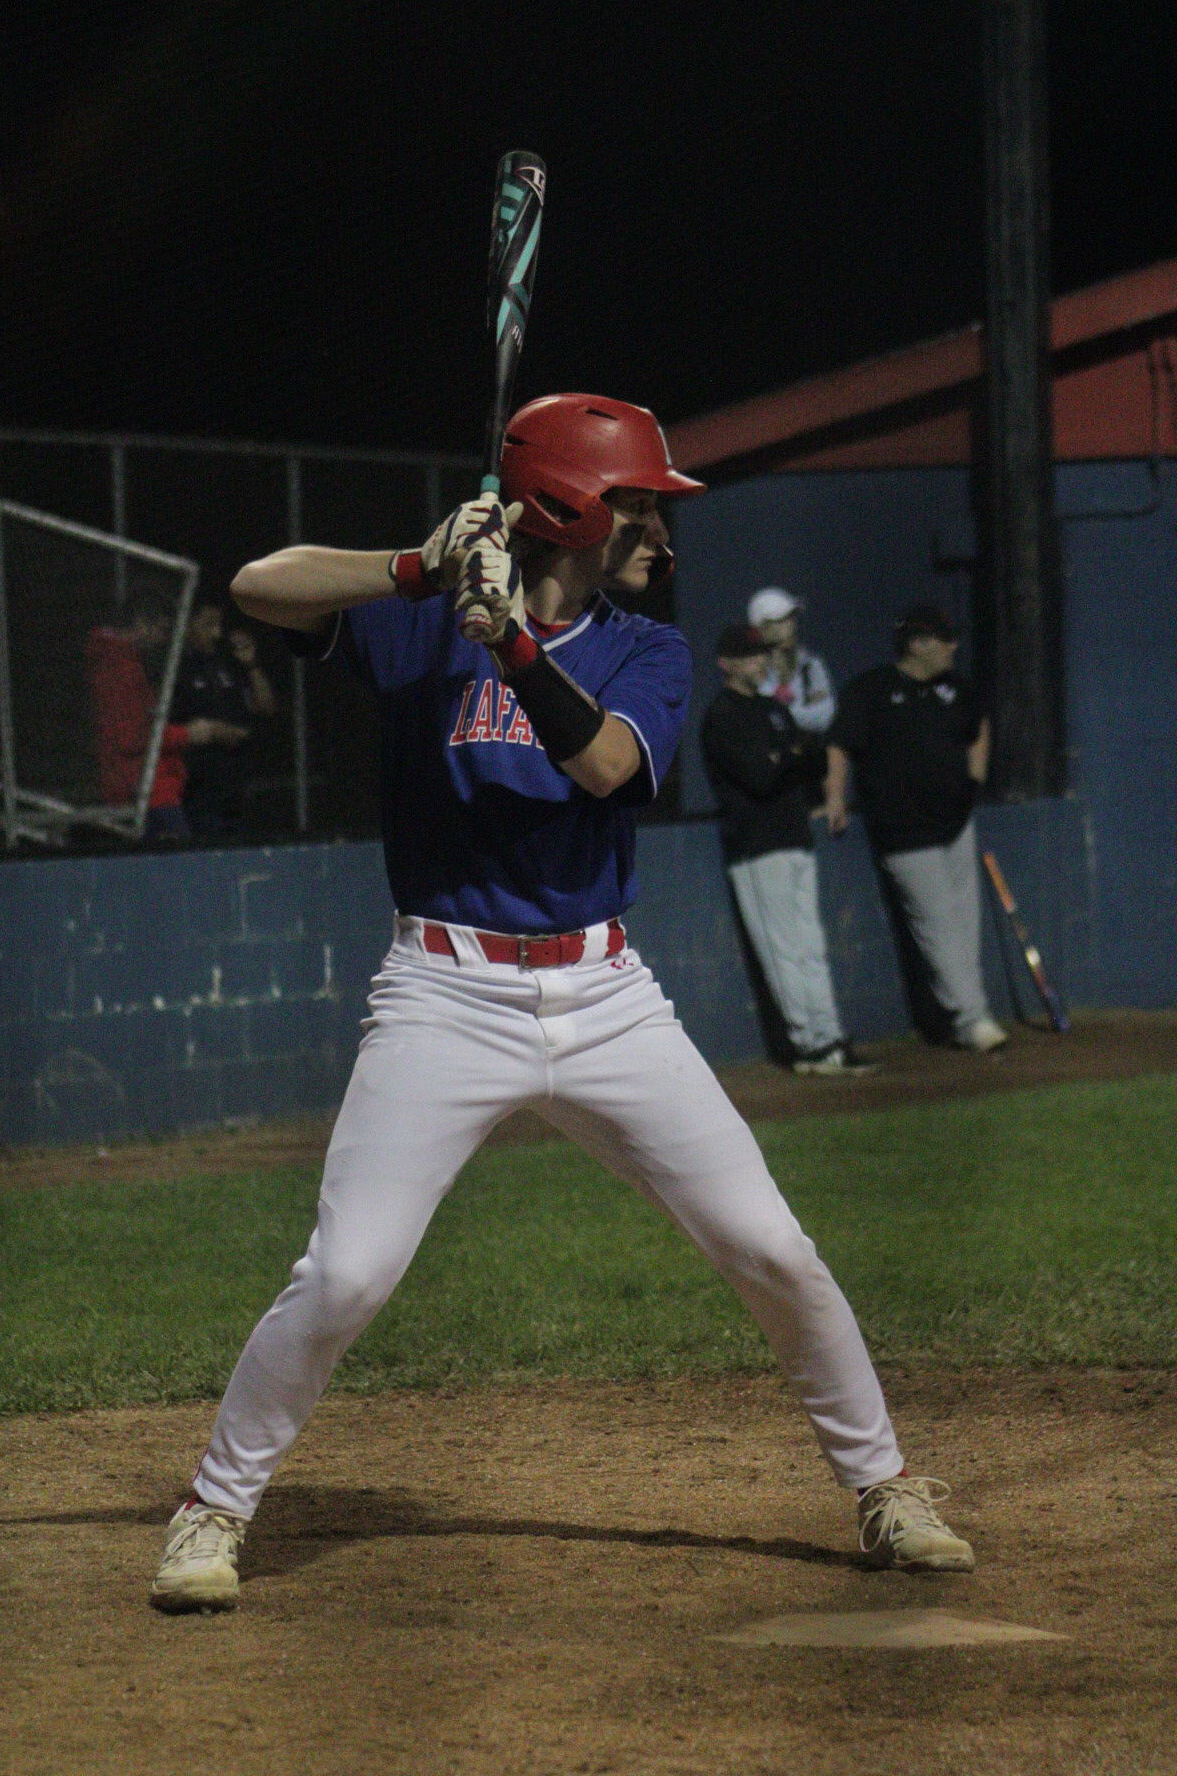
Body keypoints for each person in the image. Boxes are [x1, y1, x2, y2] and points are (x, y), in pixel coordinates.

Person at [149, 395, 974, 1613]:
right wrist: (417, 567)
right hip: (441, 994)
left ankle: (884, 1486)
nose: (660, 533)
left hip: (605, 996)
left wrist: (512, 648)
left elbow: (605, 768)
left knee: (769, 1248)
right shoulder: (419, 623)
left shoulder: (648, 649)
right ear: (572, 508)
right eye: (638, 506)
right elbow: (259, 585)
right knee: (346, 1276)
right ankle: (212, 1510)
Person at [824, 602, 1007, 1054]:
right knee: (938, 925)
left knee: (964, 925)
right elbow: (840, 745)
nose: (953, 647)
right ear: (918, 644)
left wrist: (975, 780)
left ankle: (964, 1017)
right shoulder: (871, 690)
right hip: (903, 830)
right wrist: (835, 797)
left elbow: (979, 726)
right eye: (945, 640)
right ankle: (973, 1017)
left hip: (956, 822)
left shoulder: (957, 689)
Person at [701, 621, 872, 1075]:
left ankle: (830, 1038)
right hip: (757, 846)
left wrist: (790, 757)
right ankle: (807, 1045)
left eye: (763, 654)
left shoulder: (772, 709)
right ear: (726, 663)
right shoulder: (722, 715)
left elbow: (812, 760)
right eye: (751, 655)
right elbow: (762, 776)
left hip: (795, 836)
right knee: (784, 953)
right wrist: (791, 757)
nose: (761, 661)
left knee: (811, 948)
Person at [85, 583, 243, 843]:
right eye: (161, 629)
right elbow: (132, 738)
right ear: (142, 623)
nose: (163, 638)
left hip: (145, 787)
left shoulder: (122, 660)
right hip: (146, 790)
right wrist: (189, 734)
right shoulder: (119, 666)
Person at [171, 601, 276, 842]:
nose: (217, 634)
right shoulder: (177, 669)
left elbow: (266, 706)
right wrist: (213, 732)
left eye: (219, 625)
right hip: (198, 789)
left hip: (236, 785)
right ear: (188, 625)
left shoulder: (226, 664)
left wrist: (251, 664)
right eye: (208, 625)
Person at [747, 587, 836, 735]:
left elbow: (826, 717)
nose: (790, 625)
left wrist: (784, 715)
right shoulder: (752, 673)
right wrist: (807, 710)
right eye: (780, 620)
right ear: (760, 629)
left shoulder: (811, 665)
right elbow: (761, 722)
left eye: (791, 617)